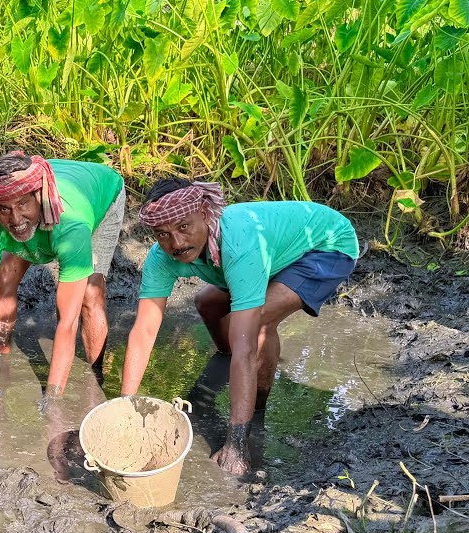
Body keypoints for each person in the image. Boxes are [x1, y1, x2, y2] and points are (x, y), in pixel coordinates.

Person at [121, 178, 359, 474]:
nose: (177, 244)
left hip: (325, 247)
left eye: (184, 227)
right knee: (207, 304)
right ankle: (226, 359)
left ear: (206, 215)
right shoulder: (162, 257)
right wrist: (124, 406)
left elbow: (247, 346)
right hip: (271, 252)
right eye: (163, 235)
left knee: (254, 327)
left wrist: (235, 444)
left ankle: (256, 412)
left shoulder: (238, 243)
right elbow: (144, 330)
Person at [0, 152, 125, 411]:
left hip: (101, 195)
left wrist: (53, 399)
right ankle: (1, 358)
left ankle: (95, 378)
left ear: (39, 195)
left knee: (89, 297)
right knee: (4, 279)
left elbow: (67, 322)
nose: (15, 219)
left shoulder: (72, 226)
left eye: (23, 204)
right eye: (4, 209)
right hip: (51, 209)